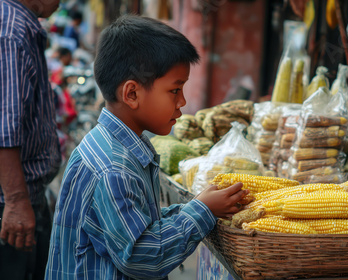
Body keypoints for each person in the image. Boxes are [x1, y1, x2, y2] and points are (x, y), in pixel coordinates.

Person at [45, 15, 248, 279]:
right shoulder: (113, 169)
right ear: (132, 94)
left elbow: (139, 221)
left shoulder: (119, 145)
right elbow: (141, 257)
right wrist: (202, 211)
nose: (183, 101)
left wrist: (194, 205)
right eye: (175, 90)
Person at [0, 0, 61, 279]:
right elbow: (1, 129)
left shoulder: (12, 21)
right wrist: (16, 201)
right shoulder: (9, 28)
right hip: (0, 205)